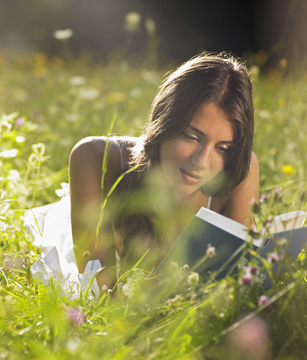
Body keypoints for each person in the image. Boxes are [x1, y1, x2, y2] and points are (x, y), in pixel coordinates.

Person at [25, 52, 259, 296]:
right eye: (191, 136)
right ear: (164, 121)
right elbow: (102, 296)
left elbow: (235, 288)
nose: (201, 161)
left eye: (222, 148)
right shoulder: (95, 158)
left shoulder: (240, 171)